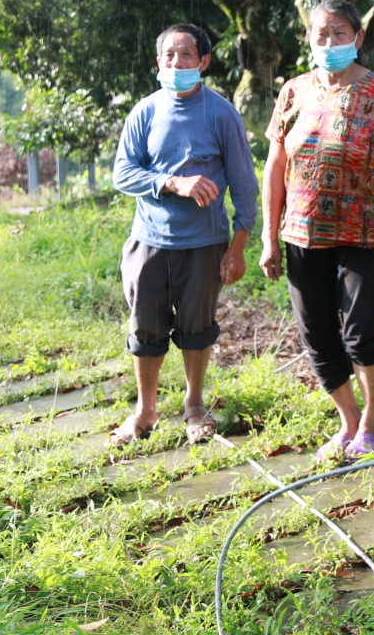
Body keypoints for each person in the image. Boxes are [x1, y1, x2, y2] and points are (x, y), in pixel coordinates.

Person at [260, 0, 374, 463]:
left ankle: (373, 421)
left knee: (361, 331)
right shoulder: (292, 91)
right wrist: (270, 235)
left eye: (339, 33)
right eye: (320, 34)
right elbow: (275, 167)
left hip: (365, 234)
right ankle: (348, 421)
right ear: (308, 39)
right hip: (302, 233)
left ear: (358, 38)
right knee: (317, 333)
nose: (328, 42)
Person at [109, 23, 260, 446]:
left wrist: (239, 245)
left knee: (197, 327)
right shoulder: (145, 111)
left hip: (204, 244)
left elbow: (244, 183)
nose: (177, 63)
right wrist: (173, 183)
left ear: (204, 62)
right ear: (159, 62)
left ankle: (194, 405)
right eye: (169, 56)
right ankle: (145, 410)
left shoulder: (221, 113)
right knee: (145, 329)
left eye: (186, 55)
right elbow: (123, 173)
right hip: (149, 240)